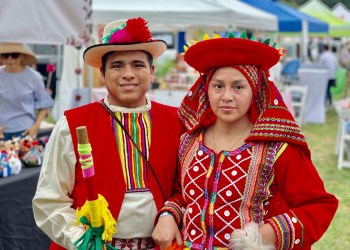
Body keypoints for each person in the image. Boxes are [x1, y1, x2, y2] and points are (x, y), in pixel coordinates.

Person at [152, 32, 338, 249]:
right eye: (218, 86)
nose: (227, 96)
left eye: (238, 87)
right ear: (206, 90)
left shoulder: (275, 148)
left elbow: (318, 205)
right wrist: (169, 213)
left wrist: (267, 234)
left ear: (255, 91)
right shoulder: (188, 142)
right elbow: (183, 195)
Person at [32, 17, 184, 250]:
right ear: (102, 74)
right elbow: (49, 200)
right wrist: (83, 242)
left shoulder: (177, 121)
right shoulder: (71, 125)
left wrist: (171, 214)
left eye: (138, 65)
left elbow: (189, 188)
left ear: (152, 72)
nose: (128, 74)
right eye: (117, 66)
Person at [0, 43, 53, 140]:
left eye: (14, 55)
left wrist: (35, 127)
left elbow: (44, 105)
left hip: (24, 130)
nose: (10, 59)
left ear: (22, 57)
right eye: (6, 55)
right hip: (2, 131)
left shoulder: (34, 77)